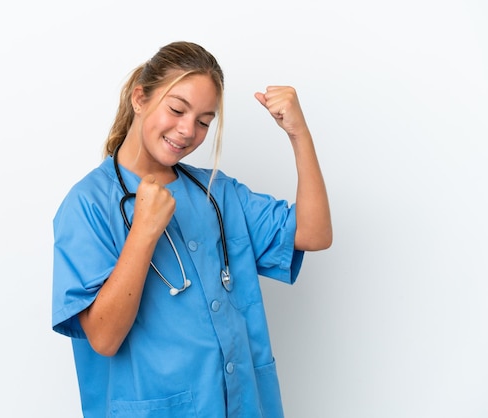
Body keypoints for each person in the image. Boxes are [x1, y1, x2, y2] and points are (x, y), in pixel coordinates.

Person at [52, 40, 332, 417]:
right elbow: (103, 338)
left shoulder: (217, 193)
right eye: (177, 109)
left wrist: (299, 135)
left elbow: (313, 235)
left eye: (204, 121)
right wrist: (144, 232)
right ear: (140, 98)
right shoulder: (87, 205)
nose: (188, 131)